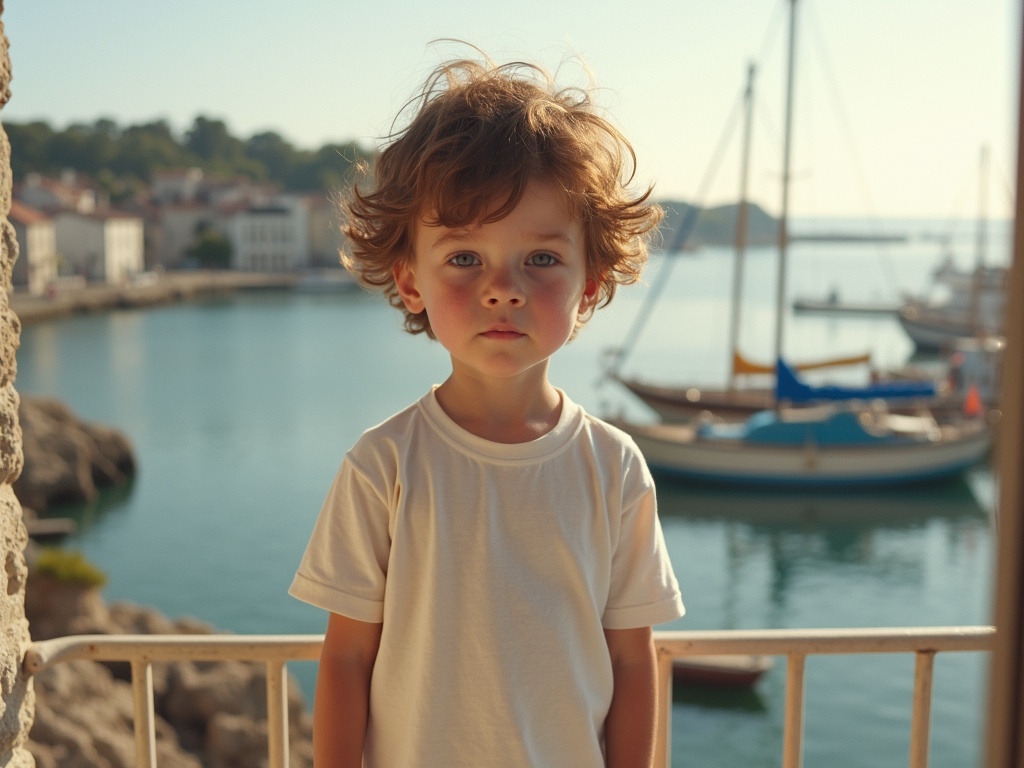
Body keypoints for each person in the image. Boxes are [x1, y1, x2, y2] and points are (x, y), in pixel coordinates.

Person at [289, 52, 684, 768]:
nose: (503, 289)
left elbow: (632, 661)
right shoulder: (385, 465)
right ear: (410, 282)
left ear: (589, 285)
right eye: (465, 259)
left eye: (540, 259)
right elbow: (345, 659)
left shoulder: (614, 467)